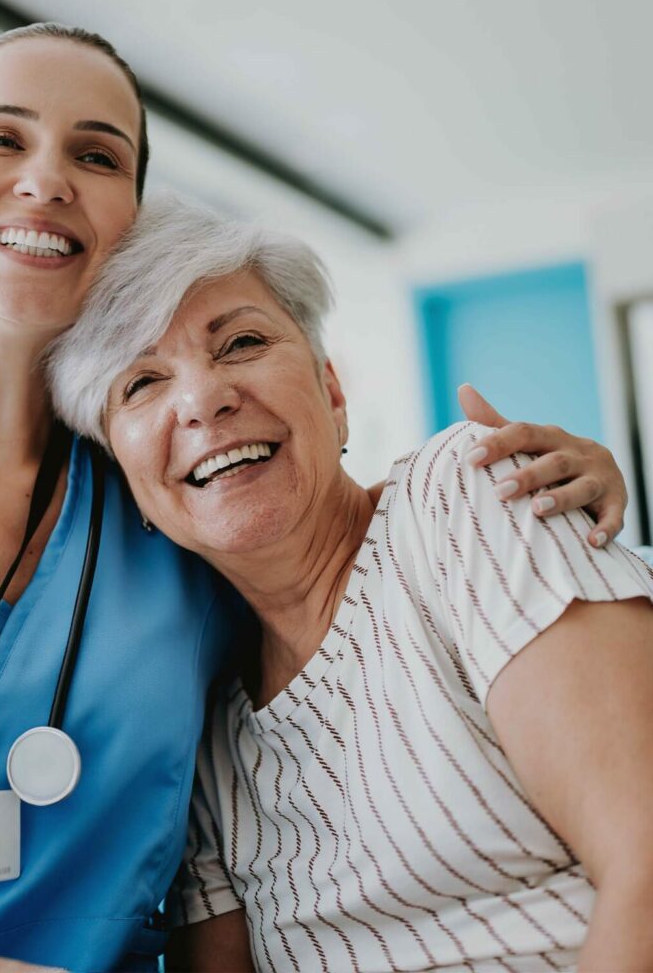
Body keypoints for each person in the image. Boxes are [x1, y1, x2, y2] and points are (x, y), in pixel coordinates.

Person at [0, 25, 629, 973]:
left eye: (96, 156)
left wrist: (539, 488)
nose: (46, 178)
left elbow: (345, 566)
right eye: (1, 138)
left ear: (127, 218)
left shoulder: (162, 499)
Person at [47, 192, 653, 972]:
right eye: (141, 384)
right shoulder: (200, 723)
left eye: (240, 342)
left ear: (332, 394)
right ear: (123, 477)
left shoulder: (461, 499)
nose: (204, 398)